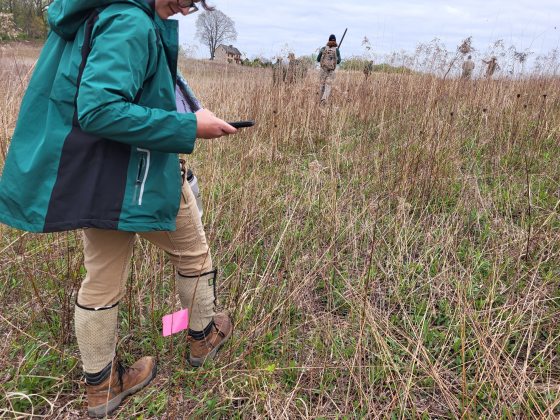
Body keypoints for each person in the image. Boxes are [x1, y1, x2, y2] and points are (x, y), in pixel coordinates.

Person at [0, 0, 236, 417]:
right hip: (140, 174)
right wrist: (188, 127)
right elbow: (99, 109)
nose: (189, 7)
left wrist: (190, 110)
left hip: (104, 178)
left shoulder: (115, 12)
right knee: (193, 253)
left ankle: (102, 386)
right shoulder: (130, 21)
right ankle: (203, 336)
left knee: (102, 277)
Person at [317, 34, 342, 103]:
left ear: (328, 40)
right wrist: (335, 58)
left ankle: (320, 101)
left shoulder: (323, 48)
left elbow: (318, 59)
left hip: (323, 70)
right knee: (328, 85)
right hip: (331, 71)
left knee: (322, 85)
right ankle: (324, 99)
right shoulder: (336, 50)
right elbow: (339, 61)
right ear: (335, 41)